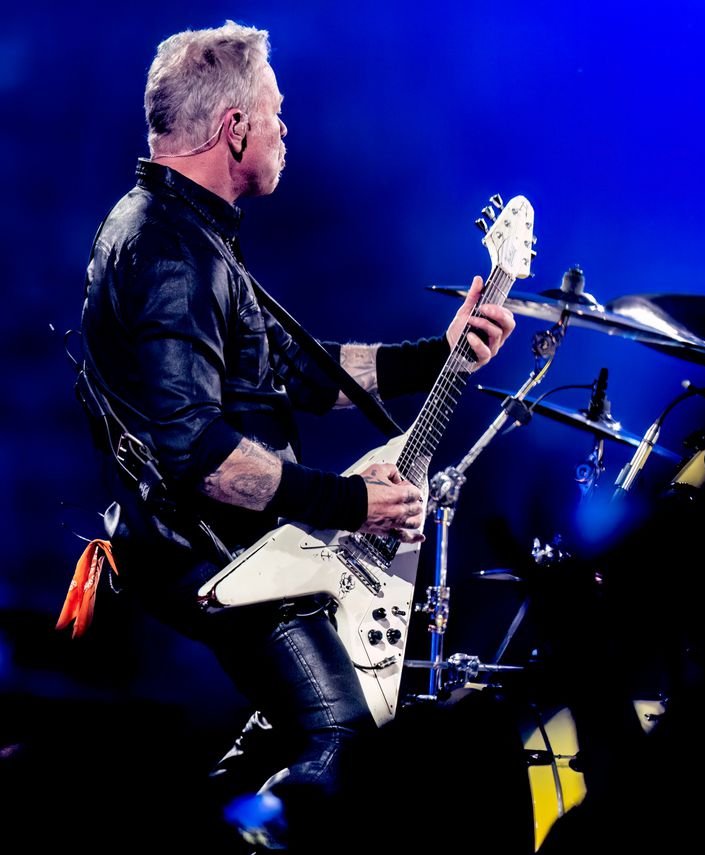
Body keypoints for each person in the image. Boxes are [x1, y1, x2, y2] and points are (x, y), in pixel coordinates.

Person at [78, 21, 515, 849]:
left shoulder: (189, 228)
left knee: (287, 737)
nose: (287, 128)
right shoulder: (173, 253)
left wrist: (441, 352)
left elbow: (302, 371)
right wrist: (353, 503)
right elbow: (197, 457)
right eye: (276, 111)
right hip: (200, 547)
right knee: (345, 737)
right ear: (235, 128)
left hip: (212, 539)